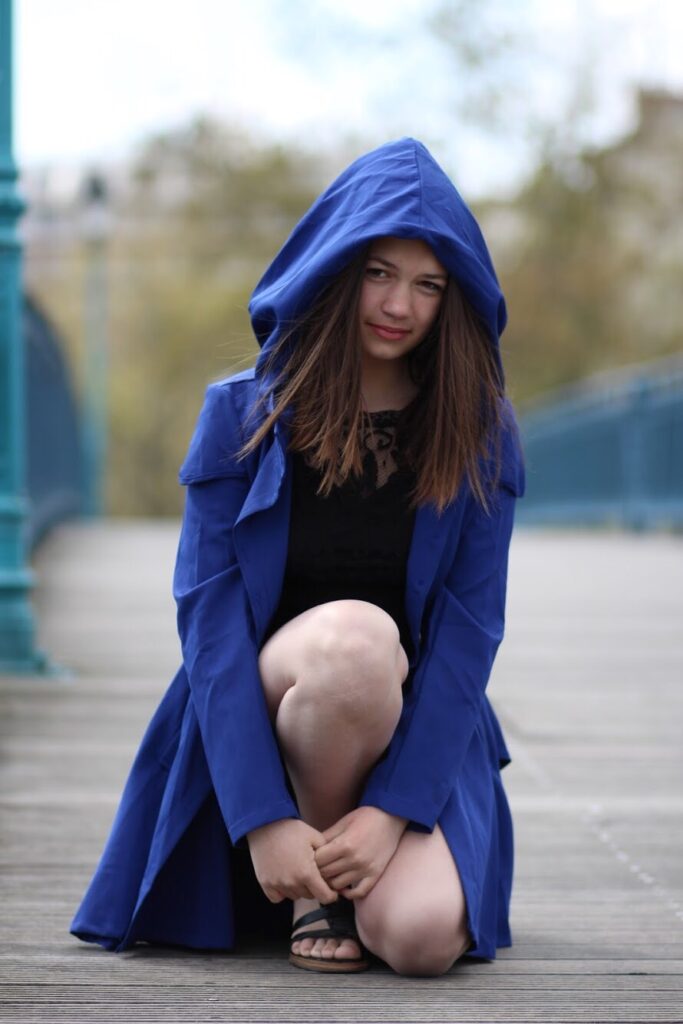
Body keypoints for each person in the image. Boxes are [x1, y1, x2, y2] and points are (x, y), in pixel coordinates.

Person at [70, 138, 525, 977]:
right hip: (273, 705)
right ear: (335, 266)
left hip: (410, 731)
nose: (400, 304)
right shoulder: (241, 413)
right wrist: (261, 817)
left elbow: (468, 638)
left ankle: (363, 866)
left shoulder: (479, 433)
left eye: (428, 285)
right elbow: (207, 625)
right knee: (352, 641)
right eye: (378, 272)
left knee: (421, 941)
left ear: (453, 300)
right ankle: (314, 886)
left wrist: (394, 810)